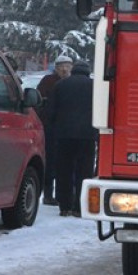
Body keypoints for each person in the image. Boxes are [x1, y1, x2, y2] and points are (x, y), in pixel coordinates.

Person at [47, 60, 96, 217]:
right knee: (84, 171)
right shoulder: (95, 86)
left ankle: (64, 205)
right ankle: (79, 206)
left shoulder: (61, 85)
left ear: (73, 70)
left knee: (64, 170)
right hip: (87, 136)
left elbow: (51, 111)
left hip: (64, 135)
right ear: (87, 72)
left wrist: (54, 130)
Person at [35, 55, 73, 205]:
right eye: (61, 66)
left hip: (66, 128)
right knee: (50, 161)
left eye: (67, 66)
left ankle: (60, 194)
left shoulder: (71, 83)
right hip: (50, 127)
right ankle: (48, 194)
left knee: (63, 163)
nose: (64, 69)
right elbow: (38, 100)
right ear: (56, 68)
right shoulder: (47, 81)